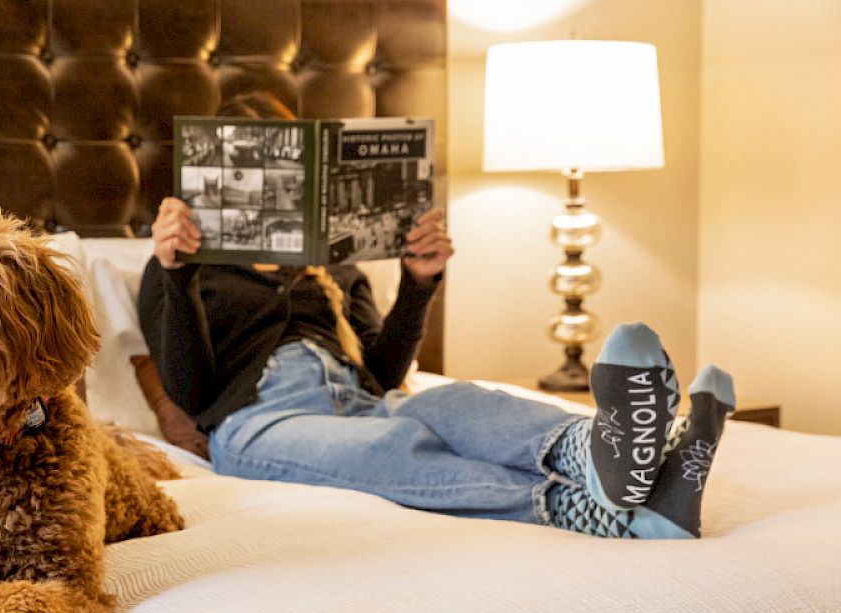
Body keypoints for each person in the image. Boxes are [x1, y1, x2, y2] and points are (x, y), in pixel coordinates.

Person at [138, 93, 735, 539]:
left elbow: (383, 373)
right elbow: (191, 395)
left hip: (367, 400)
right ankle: (609, 505)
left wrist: (418, 284)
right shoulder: (179, 269)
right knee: (392, 446)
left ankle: (601, 452)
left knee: (459, 404)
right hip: (260, 423)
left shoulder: (335, 268)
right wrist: (178, 275)